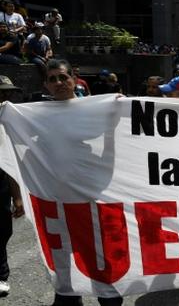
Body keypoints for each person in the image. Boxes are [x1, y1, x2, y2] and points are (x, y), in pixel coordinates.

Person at [44, 59, 123, 305]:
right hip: (57, 203)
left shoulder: (94, 110)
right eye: (53, 79)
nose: (59, 83)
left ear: (74, 79)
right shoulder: (36, 116)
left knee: (100, 258)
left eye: (63, 77)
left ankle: (109, 298)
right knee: (62, 261)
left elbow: (115, 140)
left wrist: (122, 108)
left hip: (92, 201)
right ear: (45, 85)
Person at [0, 76, 25, 297]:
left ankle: (0, 276)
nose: (5, 96)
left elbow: (12, 161)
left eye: (7, 93)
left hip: (1, 185)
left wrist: (17, 196)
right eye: (1, 92)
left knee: (2, 230)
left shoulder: (10, 120)